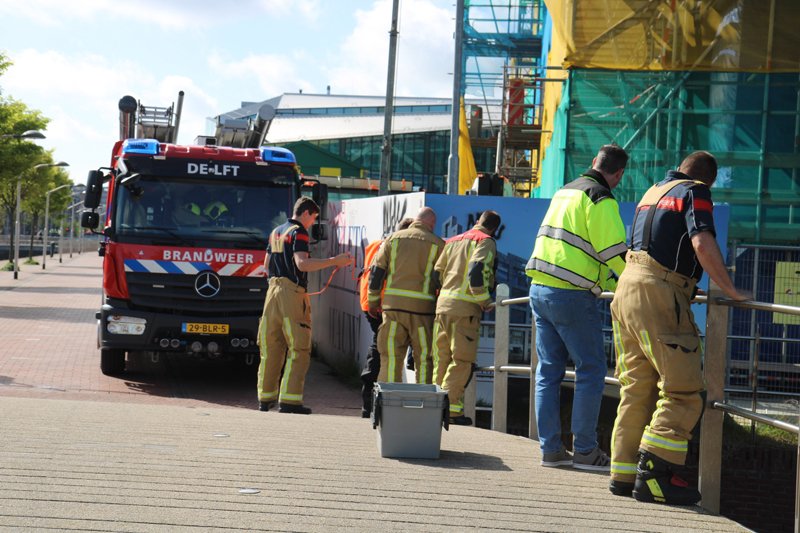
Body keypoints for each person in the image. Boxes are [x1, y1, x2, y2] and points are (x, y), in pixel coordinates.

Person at [609, 151, 749, 504]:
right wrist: (729, 289)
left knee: (636, 387)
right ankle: (655, 476)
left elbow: (659, 245)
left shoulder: (653, 191)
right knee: (683, 389)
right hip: (658, 296)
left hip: (627, 289)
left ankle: (623, 475)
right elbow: (701, 241)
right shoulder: (696, 191)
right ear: (708, 179)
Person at [525, 144, 629, 471]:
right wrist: (635, 282)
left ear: (593, 162)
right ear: (619, 174)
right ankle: (585, 451)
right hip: (571, 295)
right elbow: (614, 254)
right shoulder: (600, 198)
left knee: (548, 372)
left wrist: (610, 283)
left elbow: (581, 250)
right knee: (591, 369)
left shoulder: (564, 192)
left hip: (540, 290)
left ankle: (551, 450)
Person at [256, 196, 351, 414]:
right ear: (306, 213)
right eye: (313, 219)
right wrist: (335, 261)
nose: (312, 224)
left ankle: (265, 398)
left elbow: (266, 265)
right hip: (291, 292)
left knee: (271, 345)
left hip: (272, 291)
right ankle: (290, 401)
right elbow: (302, 263)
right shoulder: (298, 232)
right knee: (299, 346)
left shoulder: (276, 232)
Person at [432, 210, 501, 426]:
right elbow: (476, 270)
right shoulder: (486, 241)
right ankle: (451, 409)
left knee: (441, 358)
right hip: (465, 309)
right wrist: (484, 301)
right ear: (493, 229)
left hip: (443, 306)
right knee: (462, 360)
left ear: (478, 222)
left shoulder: (453, 241)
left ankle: (435, 405)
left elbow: (437, 274)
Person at [368, 207, 444, 384]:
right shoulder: (438, 245)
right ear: (431, 224)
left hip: (393, 311)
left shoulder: (393, 239)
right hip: (423, 313)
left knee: (391, 358)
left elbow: (376, 272)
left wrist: (373, 301)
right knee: (425, 359)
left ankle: (388, 403)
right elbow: (442, 279)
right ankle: (424, 405)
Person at [358, 217, 414, 418]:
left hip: (369, 303)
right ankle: (373, 404)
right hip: (382, 305)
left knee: (379, 348)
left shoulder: (378, 244)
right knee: (382, 351)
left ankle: (369, 404)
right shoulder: (397, 247)